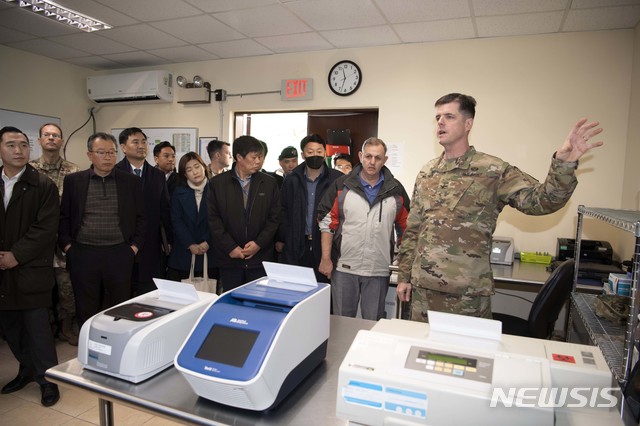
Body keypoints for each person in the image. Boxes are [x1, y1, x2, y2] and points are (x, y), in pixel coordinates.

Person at [396, 93, 604, 321]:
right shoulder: (427, 172)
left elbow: (543, 201)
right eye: (437, 118)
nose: (440, 123)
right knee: (422, 352)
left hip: (467, 295)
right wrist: (404, 275)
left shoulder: (492, 170)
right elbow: (413, 229)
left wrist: (564, 163)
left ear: (468, 124)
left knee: (468, 355)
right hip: (423, 290)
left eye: (449, 116)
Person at [0, 126, 61, 406]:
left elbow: (45, 228)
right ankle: (25, 369)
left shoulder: (43, 185)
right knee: (11, 327)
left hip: (31, 269)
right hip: (3, 272)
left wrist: (16, 254)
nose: (18, 150)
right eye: (11, 145)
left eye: (23, 145)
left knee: (38, 329)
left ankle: (48, 380)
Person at [58, 132, 145, 327]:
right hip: (83, 253)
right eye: (101, 152)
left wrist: (134, 247)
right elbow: (64, 217)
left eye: (111, 153)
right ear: (90, 155)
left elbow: (142, 217)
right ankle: (88, 346)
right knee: (85, 306)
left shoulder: (130, 181)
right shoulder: (74, 181)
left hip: (119, 253)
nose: (107, 157)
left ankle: (116, 346)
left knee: (119, 307)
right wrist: (68, 247)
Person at [318, 137, 410, 320]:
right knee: (342, 322)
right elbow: (327, 224)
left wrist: (404, 267)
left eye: (378, 158)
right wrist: (326, 259)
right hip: (344, 268)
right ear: (360, 156)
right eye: (368, 156)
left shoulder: (396, 190)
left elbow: (407, 230)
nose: (372, 162)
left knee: (373, 324)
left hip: (378, 270)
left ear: (385, 160)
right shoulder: (341, 186)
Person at [207, 136, 280, 291]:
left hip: (260, 258)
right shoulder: (217, 184)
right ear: (239, 157)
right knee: (232, 304)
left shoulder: (269, 183)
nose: (258, 161)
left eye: (260, 157)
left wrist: (258, 244)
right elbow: (213, 220)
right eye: (254, 157)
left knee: (258, 305)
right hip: (230, 259)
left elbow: (274, 219)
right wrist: (230, 247)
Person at [29, 123, 80, 346]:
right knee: (40, 286)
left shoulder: (73, 171)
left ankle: (67, 326)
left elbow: (76, 207)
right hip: (36, 239)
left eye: (56, 135)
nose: (51, 138)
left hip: (63, 238)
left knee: (66, 286)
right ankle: (46, 328)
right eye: (47, 135)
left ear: (61, 141)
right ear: (39, 140)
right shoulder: (29, 170)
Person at [277, 134, 342, 283]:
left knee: (324, 295)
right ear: (303, 154)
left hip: (326, 247)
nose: (315, 155)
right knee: (297, 292)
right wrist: (284, 237)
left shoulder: (337, 179)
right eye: (310, 152)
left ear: (325, 153)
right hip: (297, 245)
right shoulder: (292, 179)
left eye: (319, 151)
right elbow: (283, 211)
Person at [117, 127, 171, 291]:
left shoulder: (157, 175)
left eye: (144, 142)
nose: (141, 146)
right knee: (122, 291)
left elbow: (165, 210)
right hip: (122, 244)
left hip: (151, 245)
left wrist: (168, 241)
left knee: (148, 293)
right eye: (135, 142)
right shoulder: (115, 173)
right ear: (123, 147)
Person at [167, 152, 216, 281]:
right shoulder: (178, 192)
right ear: (184, 174)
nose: (195, 172)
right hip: (185, 251)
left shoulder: (216, 189)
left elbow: (220, 220)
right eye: (189, 169)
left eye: (197, 166)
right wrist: (190, 244)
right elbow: (176, 220)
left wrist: (208, 241)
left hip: (211, 250)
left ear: (204, 167)